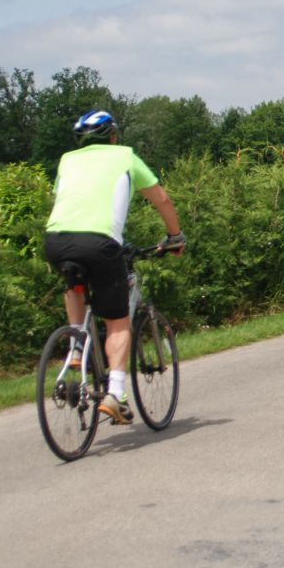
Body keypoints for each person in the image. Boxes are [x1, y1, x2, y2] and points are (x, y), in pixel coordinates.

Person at [42, 110, 185, 425]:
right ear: (113, 136)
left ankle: (78, 348)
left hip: (56, 240)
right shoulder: (125, 157)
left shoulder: (67, 160)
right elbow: (161, 199)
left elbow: (70, 200)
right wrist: (175, 236)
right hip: (99, 243)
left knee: (74, 282)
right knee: (118, 322)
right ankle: (115, 394)